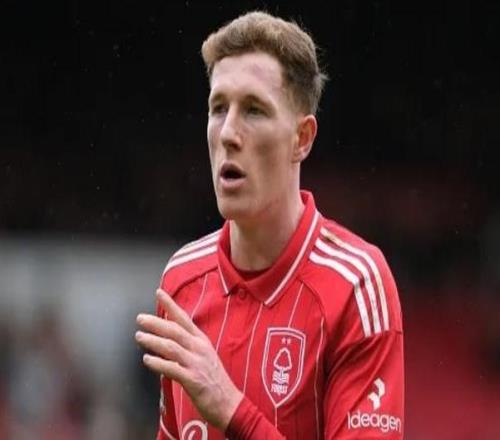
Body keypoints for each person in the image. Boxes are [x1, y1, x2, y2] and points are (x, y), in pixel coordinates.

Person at [135, 10, 404, 440]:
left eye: (254, 110)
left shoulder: (356, 285)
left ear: (302, 138)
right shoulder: (182, 281)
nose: (228, 133)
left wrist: (234, 411)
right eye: (218, 108)